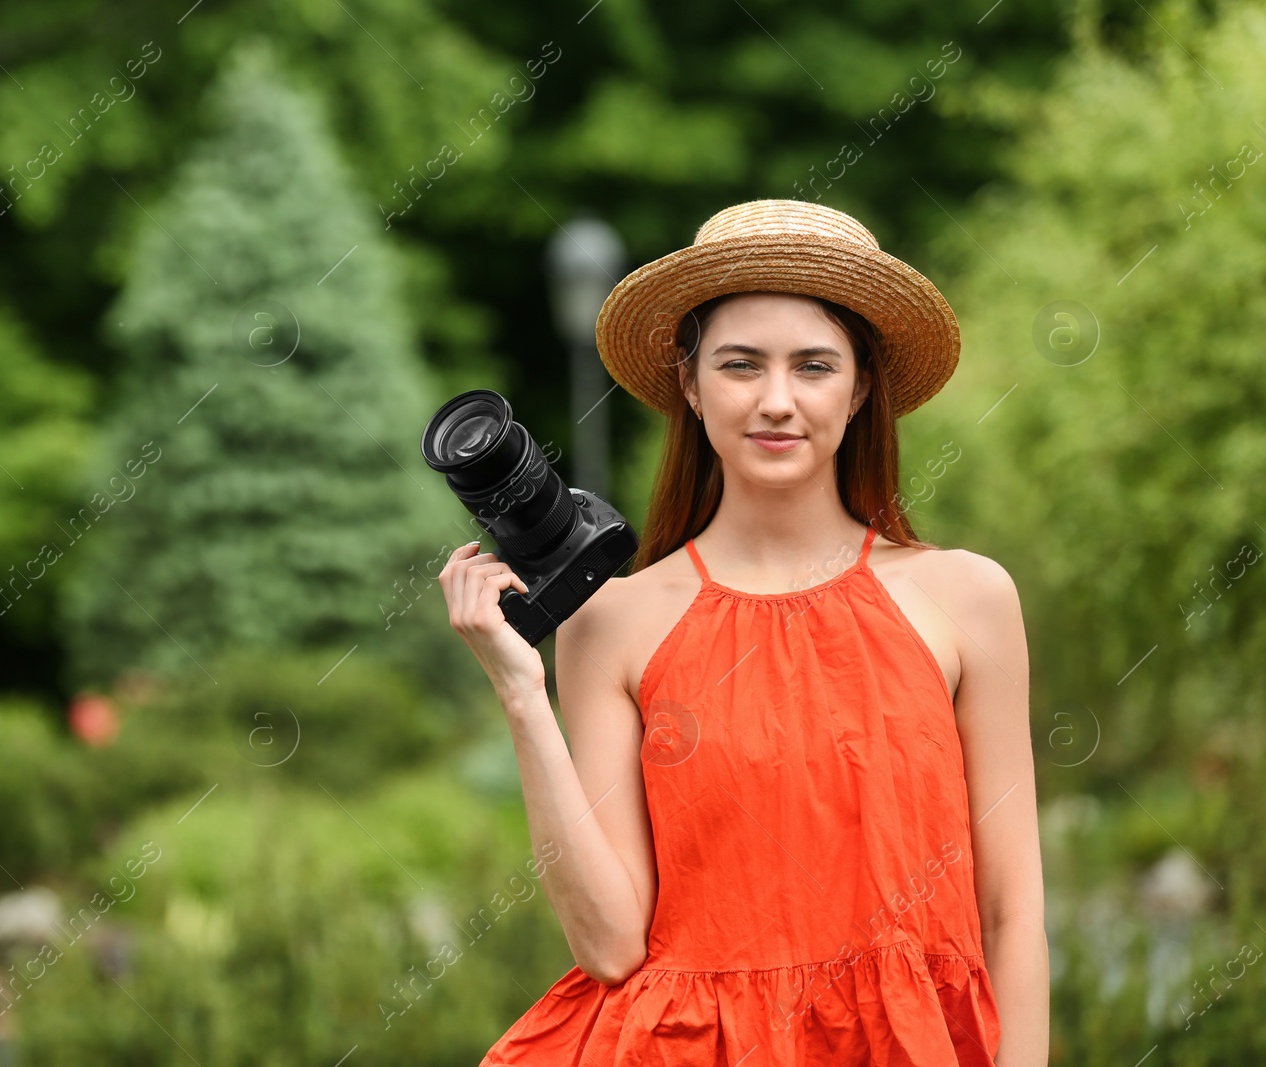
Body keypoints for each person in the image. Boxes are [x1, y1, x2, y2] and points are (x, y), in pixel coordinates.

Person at [440, 200, 1047, 1065]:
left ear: (861, 384)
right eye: (739, 364)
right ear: (690, 384)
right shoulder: (609, 623)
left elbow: (1012, 910)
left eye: (813, 365)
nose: (776, 401)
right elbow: (610, 944)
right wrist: (519, 688)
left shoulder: (968, 597)